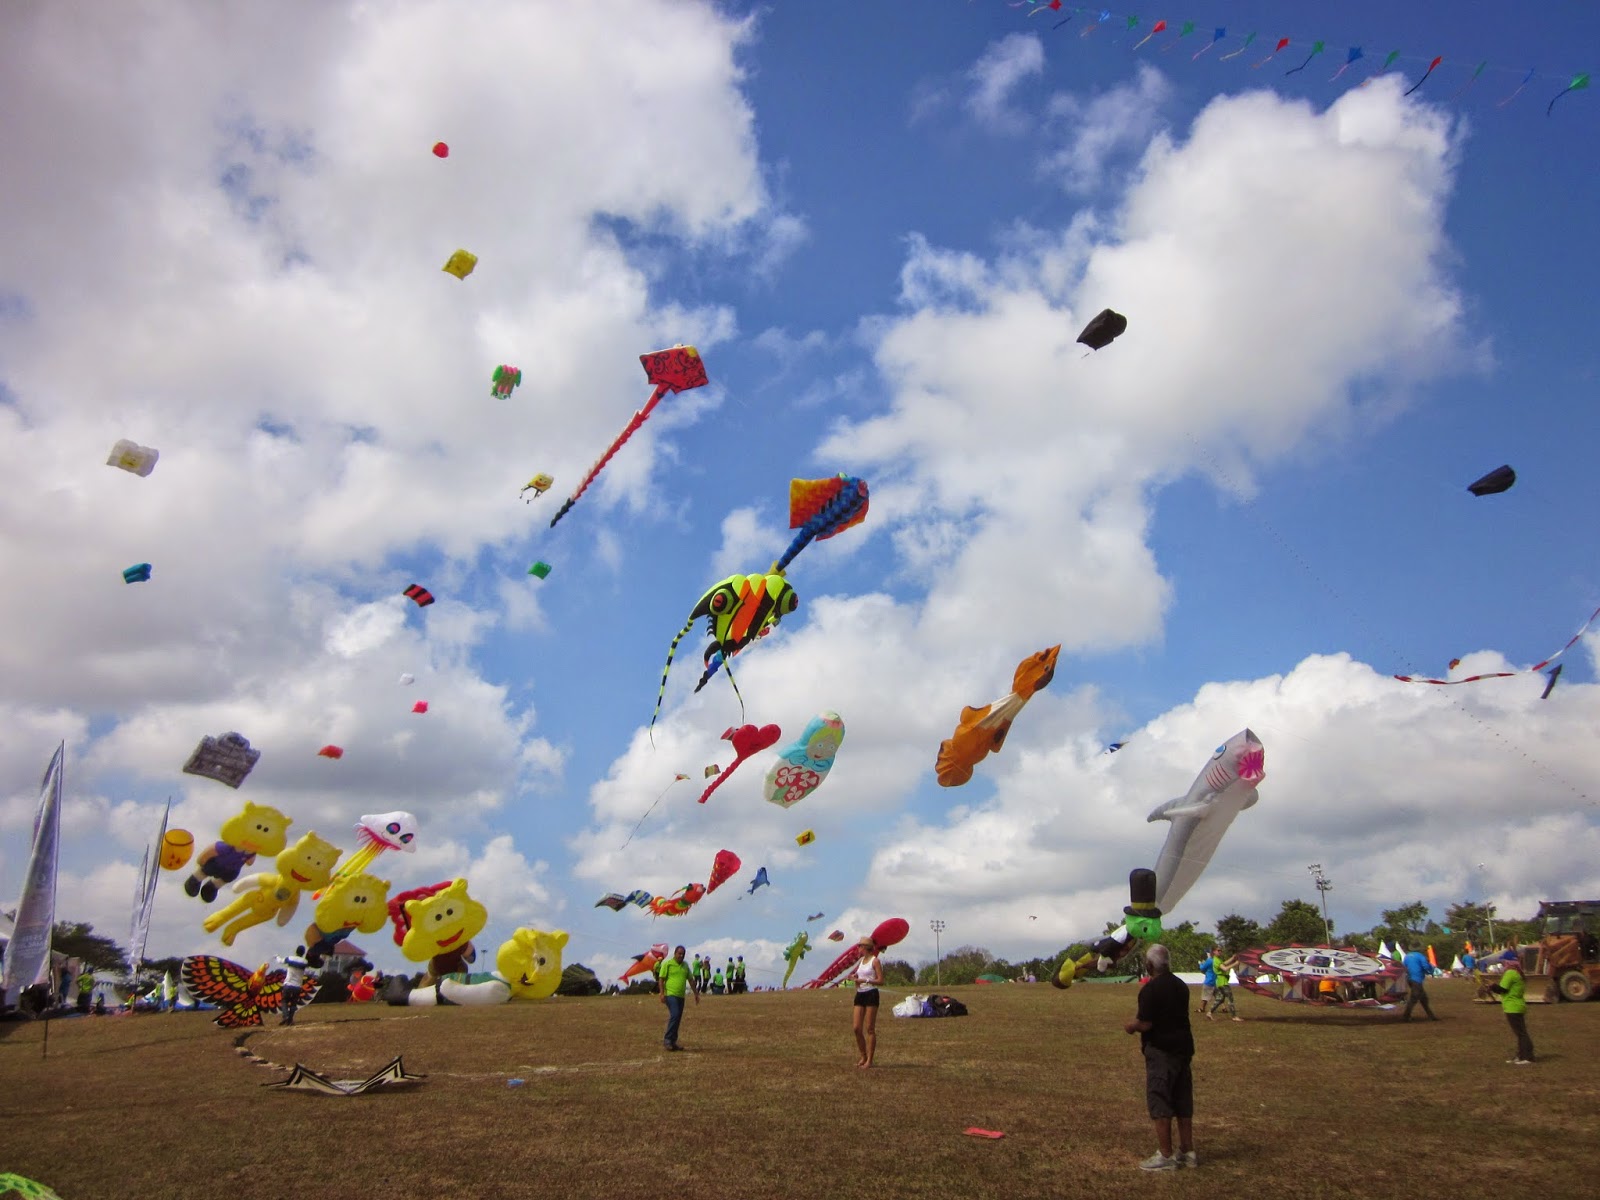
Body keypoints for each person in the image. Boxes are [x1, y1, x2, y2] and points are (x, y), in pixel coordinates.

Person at [1123, 944, 1196, 1171]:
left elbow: (1146, 1023)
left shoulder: (1150, 990)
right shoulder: (1180, 986)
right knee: (1182, 1101)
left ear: (1149, 965)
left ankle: (1165, 1155)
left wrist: (1131, 1026)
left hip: (1161, 1051)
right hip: (1183, 1049)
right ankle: (1187, 1151)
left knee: (1160, 1099)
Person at [1490, 958, 1534, 1064]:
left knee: (1521, 1033)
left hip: (1512, 1007)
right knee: (1520, 1033)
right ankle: (1521, 1055)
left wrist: (1492, 986)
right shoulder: (1518, 974)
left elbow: (1502, 989)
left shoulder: (1510, 973)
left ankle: (1527, 1057)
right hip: (1518, 1005)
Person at [655, 944, 697, 1051]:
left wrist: (696, 994)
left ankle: (673, 1042)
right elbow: (661, 979)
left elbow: (691, 980)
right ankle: (667, 1039)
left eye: (683, 954)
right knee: (675, 1014)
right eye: (679, 954)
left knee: (677, 1018)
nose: (681, 956)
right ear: (675, 953)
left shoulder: (685, 966)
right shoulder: (667, 964)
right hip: (670, 994)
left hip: (680, 996)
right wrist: (661, 993)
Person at [852, 936, 883, 1069]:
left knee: (869, 1028)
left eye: (859, 946)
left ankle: (869, 1060)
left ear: (865, 947)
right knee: (856, 1028)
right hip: (860, 994)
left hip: (871, 994)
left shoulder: (874, 961)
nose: (858, 948)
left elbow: (881, 980)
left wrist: (865, 981)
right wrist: (855, 979)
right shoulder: (861, 961)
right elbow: (859, 979)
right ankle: (863, 1055)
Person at [1401, 946, 1438, 1021]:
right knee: (1414, 998)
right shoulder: (1420, 956)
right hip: (1417, 979)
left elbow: (1403, 966)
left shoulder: (1407, 957)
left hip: (1409, 978)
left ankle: (1431, 1015)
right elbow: (1426, 966)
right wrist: (1431, 969)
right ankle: (1406, 1016)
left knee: (1423, 998)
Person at [277, 946, 310, 1026]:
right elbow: (308, 966)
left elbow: (281, 961)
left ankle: (286, 1016)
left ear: (296, 951)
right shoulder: (305, 962)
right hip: (297, 986)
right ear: (303, 953)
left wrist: (277, 957)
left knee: (284, 1001)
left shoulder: (290, 958)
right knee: (293, 1003)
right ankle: (290, 1020)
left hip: (288, 984)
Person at [1196, 949, 1221, 1019]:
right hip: (1215, 981)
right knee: (1218, 996)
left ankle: (1201, 1008)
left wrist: (1200, 963)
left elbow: (1203, 969)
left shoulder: (1210, 960)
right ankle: (1224, 1008)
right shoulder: (1217, 960)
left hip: (1209, 981)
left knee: (1205, 996)